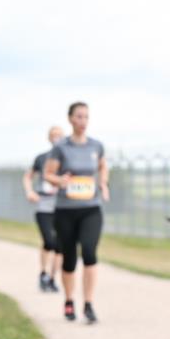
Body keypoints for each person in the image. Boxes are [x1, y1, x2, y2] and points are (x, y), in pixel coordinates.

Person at [44, 102, 109, 324]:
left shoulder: (96, 146)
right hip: (66, 210)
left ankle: (88, 304)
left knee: (89, 252)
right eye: (79, 117)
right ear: (70, 119)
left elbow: (103, 166)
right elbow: (48, 174)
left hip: (91, 208)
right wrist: (59, 180)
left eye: (86, 117)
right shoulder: (61, 147)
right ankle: (69, 300)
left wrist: (103, 183)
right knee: (69, 257)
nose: (83, 121)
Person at [23, 126, 64, 292]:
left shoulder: (68, 158)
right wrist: (30, 191)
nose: (57, 138)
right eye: (54, 135)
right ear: (49, 138)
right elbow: (28, 176)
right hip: (44, 206)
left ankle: (53, 278)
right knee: (49, 241)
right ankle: (43, 273)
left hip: (62, 206)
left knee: (60, 246)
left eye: (59, 135)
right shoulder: (41, 158)